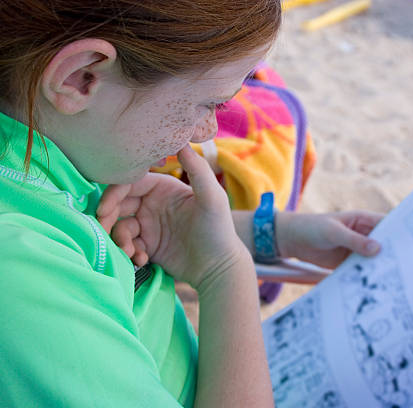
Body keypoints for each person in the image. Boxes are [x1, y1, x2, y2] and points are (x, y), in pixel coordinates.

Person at [0, 1, 382, 406]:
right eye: (210, 104)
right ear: (82, 77)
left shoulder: (60, 156)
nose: (207, 132)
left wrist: (270, 235)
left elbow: (89, 232)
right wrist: (225, 273)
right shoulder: (22, 277)